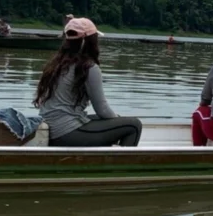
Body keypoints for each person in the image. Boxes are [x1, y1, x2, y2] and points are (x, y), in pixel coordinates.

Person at [33, 17, 142, 147]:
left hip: (51, 129)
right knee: (134, 125)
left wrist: (116, 120)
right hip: (66, 133)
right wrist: (119, 120)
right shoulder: (88, 67)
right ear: (89, 41)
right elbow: (102, 110)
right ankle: (121, 166)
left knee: (111, 120)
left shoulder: (56, 63)